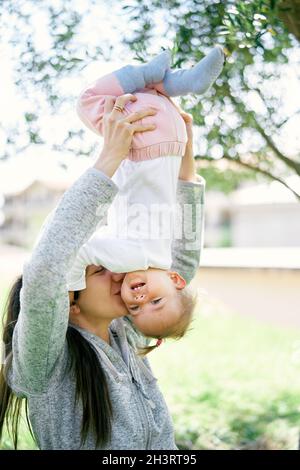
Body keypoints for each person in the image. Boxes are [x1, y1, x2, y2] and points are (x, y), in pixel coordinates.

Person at [0, 92, 206, 449]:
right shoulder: (46, 359)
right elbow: (48, 267)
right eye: (98, 271)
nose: (118, 273)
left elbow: (178, 273)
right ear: (69, 301)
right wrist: (110, 156)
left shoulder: (125, 330)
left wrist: (184, 170)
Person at [67, 47, 224, 343]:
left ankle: (183, 82)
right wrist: (70, 291)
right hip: (144, 145)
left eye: (135, 307)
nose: (139, 297)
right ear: (177, 279)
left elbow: (185, 200)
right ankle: (148, 73)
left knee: (146, 91)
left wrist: (187, 146)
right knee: (87, 101)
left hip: (173, 137)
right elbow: (81, 250)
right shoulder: (132, 257)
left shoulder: (163, 254)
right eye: (156, 301)